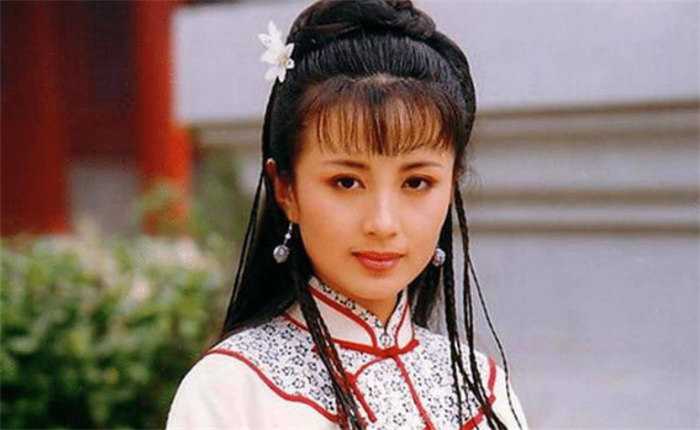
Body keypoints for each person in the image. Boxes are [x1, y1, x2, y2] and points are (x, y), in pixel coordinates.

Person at [166, 0, 529, 429]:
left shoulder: (483, 389)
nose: (383, 223)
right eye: (346, 182)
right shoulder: (232, 389)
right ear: (286, 189)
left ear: (452, 184)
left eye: (416, 183)